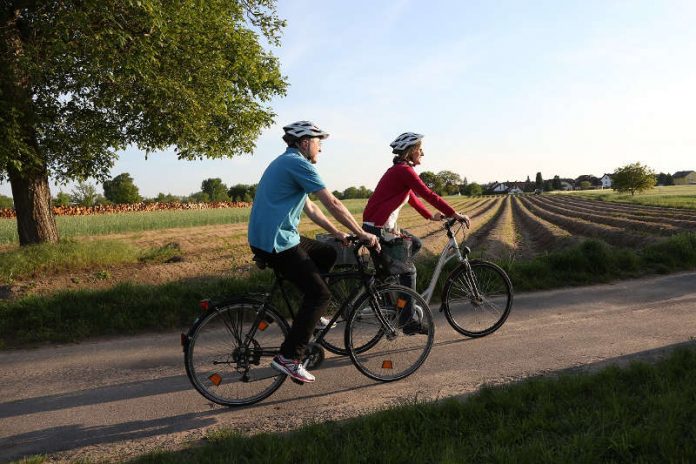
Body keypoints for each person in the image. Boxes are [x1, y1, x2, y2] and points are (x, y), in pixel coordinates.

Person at [248, 121, 380, 384]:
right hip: (277, 242)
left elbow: (312, 209)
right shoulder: (298, 164)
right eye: (319, 142)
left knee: (326, 254)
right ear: (305, 142)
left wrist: (338, 233)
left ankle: (311, 314)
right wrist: (362, 233)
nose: (321, 148)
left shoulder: (287, 163)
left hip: (273, 237)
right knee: (321, 293)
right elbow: (331, 202)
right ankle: (289, 357)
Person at [362, 132, 471, 291]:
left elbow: (412, 198)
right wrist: (455, 214)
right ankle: (407, 314)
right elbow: (429, 194)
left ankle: (388, 287)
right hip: (377, 228)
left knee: (415, 244)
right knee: (409, 271)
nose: (423, 153)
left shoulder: (400, 170)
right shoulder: (403, 170)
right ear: (412, 150)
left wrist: (430, 216)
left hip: (378, 226)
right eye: (420, 150)